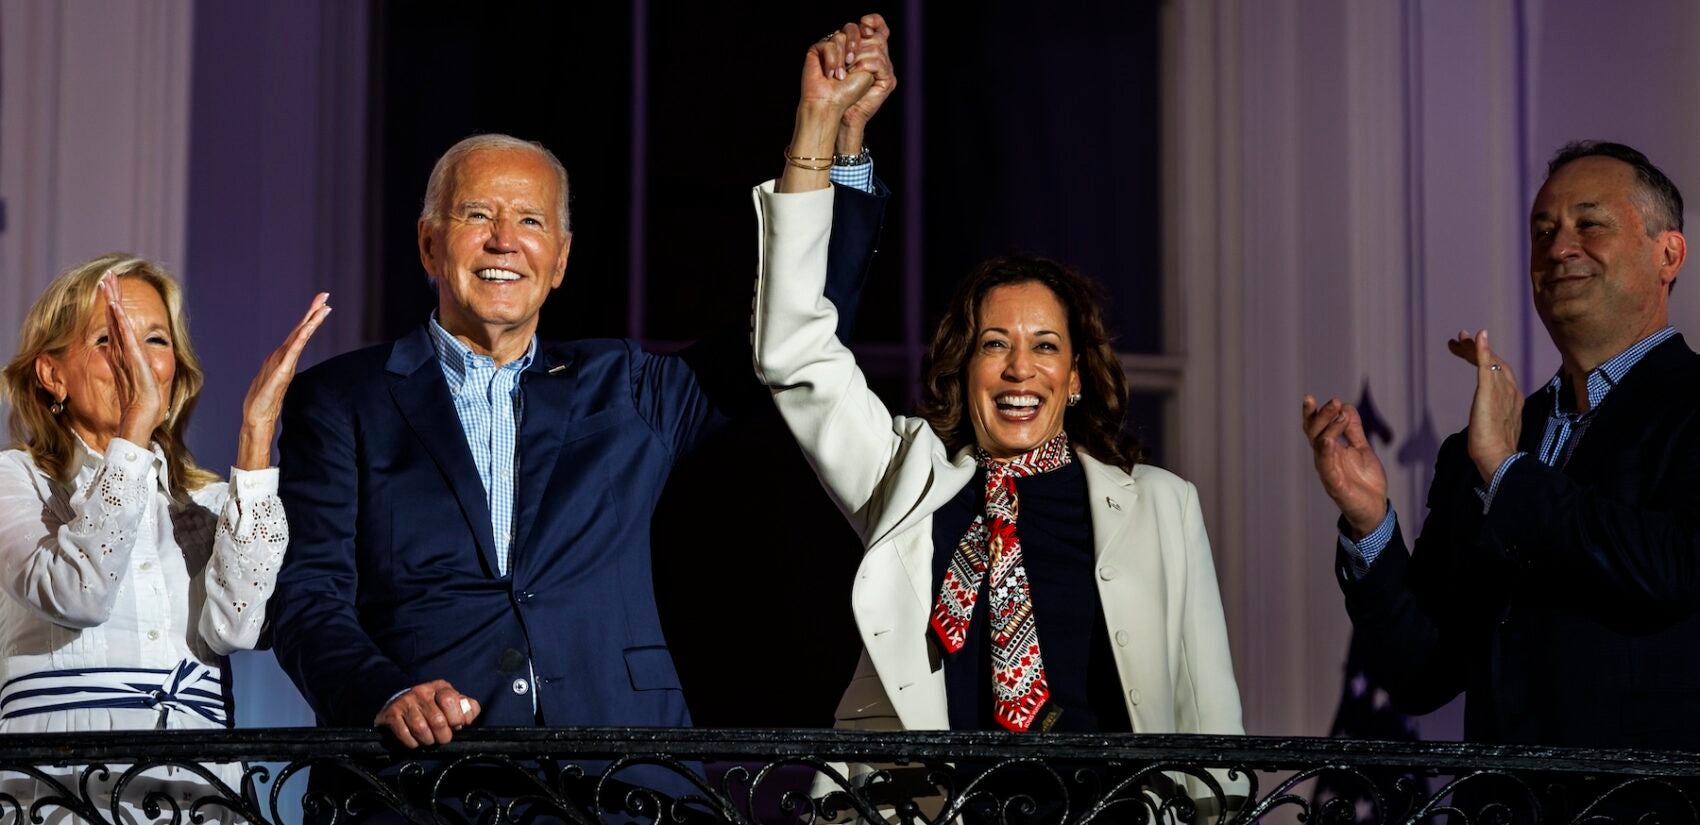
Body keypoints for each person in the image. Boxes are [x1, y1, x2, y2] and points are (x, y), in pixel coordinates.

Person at [271, 14, 894, 755]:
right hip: (428, 781)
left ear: (560, 259)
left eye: (530, 220)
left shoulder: (625, 386)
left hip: (619, 774)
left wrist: (829, 135)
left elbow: (794, 335)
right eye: (478, 215)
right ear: (429, 243)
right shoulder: (341, 400)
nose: (505, 240)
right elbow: (309, 601)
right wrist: (386, 692)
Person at [749, 32, 1246, 817]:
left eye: (1045, 347)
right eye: (995, 345)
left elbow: (1216, 733)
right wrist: (818, 128)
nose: (1020, 370)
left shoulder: (1161, 506)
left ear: (1076, 376)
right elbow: (794, 350)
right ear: (963, 367)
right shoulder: (907, 476)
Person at [1301, 141, 1700, 747]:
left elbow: (1674, 569)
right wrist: (1370, 525)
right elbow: (1422, 672)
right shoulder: (1485, 445)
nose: (1559, 249)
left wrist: (1509, 475)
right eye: (1542, 232)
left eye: (1589, 224)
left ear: (1668, 252)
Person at [0, 254, 328, 820]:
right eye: (110, 337)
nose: (136, 359)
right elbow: (76, 594)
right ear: (52, 374)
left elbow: (239, 627)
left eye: (154, 339)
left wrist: (255, 436)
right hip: (62, 797)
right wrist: (132, 429)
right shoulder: (17, 479)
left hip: (198, 797)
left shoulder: (207, 501)